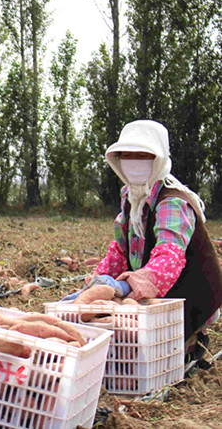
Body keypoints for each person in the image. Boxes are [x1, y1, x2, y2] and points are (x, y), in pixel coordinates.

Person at [64, 120, 222, 360]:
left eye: (142, 155)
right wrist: (95, 285)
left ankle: (190, 342)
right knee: (109, 324)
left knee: (149, 343)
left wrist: (125, 286)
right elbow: (119, 251)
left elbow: (168, 258)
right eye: (127, 155)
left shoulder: (173, 202)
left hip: (190, 295)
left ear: (158, 159)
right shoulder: (131, 197)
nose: (134, 162)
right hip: (153, 290)